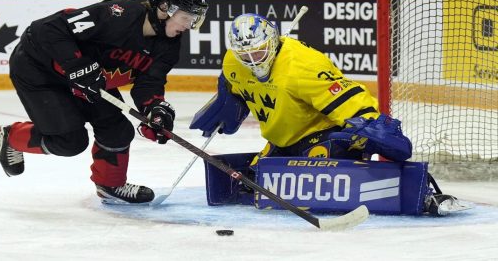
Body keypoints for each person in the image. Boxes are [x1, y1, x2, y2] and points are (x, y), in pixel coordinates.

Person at [190, 13, 463, 215]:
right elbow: (233, 87)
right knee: (250, 185)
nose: (253, 61)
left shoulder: (303, 65)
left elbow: (347, 98)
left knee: (323, 175)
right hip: (281, 141)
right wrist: (226, 106)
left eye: (259, 52)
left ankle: (413, 191)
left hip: (321, 134)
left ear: (271, 42)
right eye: (245, 56)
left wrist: (374, 127)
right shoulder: (232, 62)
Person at [0, 0, 208, 204]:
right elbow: (48, 29)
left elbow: (149, 82)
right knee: (70, 141)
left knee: (117, 130)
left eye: (194, 20)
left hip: (88, 80)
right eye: (186, 17)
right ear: (164, 8)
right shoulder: (120, 14)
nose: (188, 25)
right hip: (40, 68)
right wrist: (77, 64)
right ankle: (10, 137)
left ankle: (110, 185)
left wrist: (154, 109)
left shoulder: (169, 46)